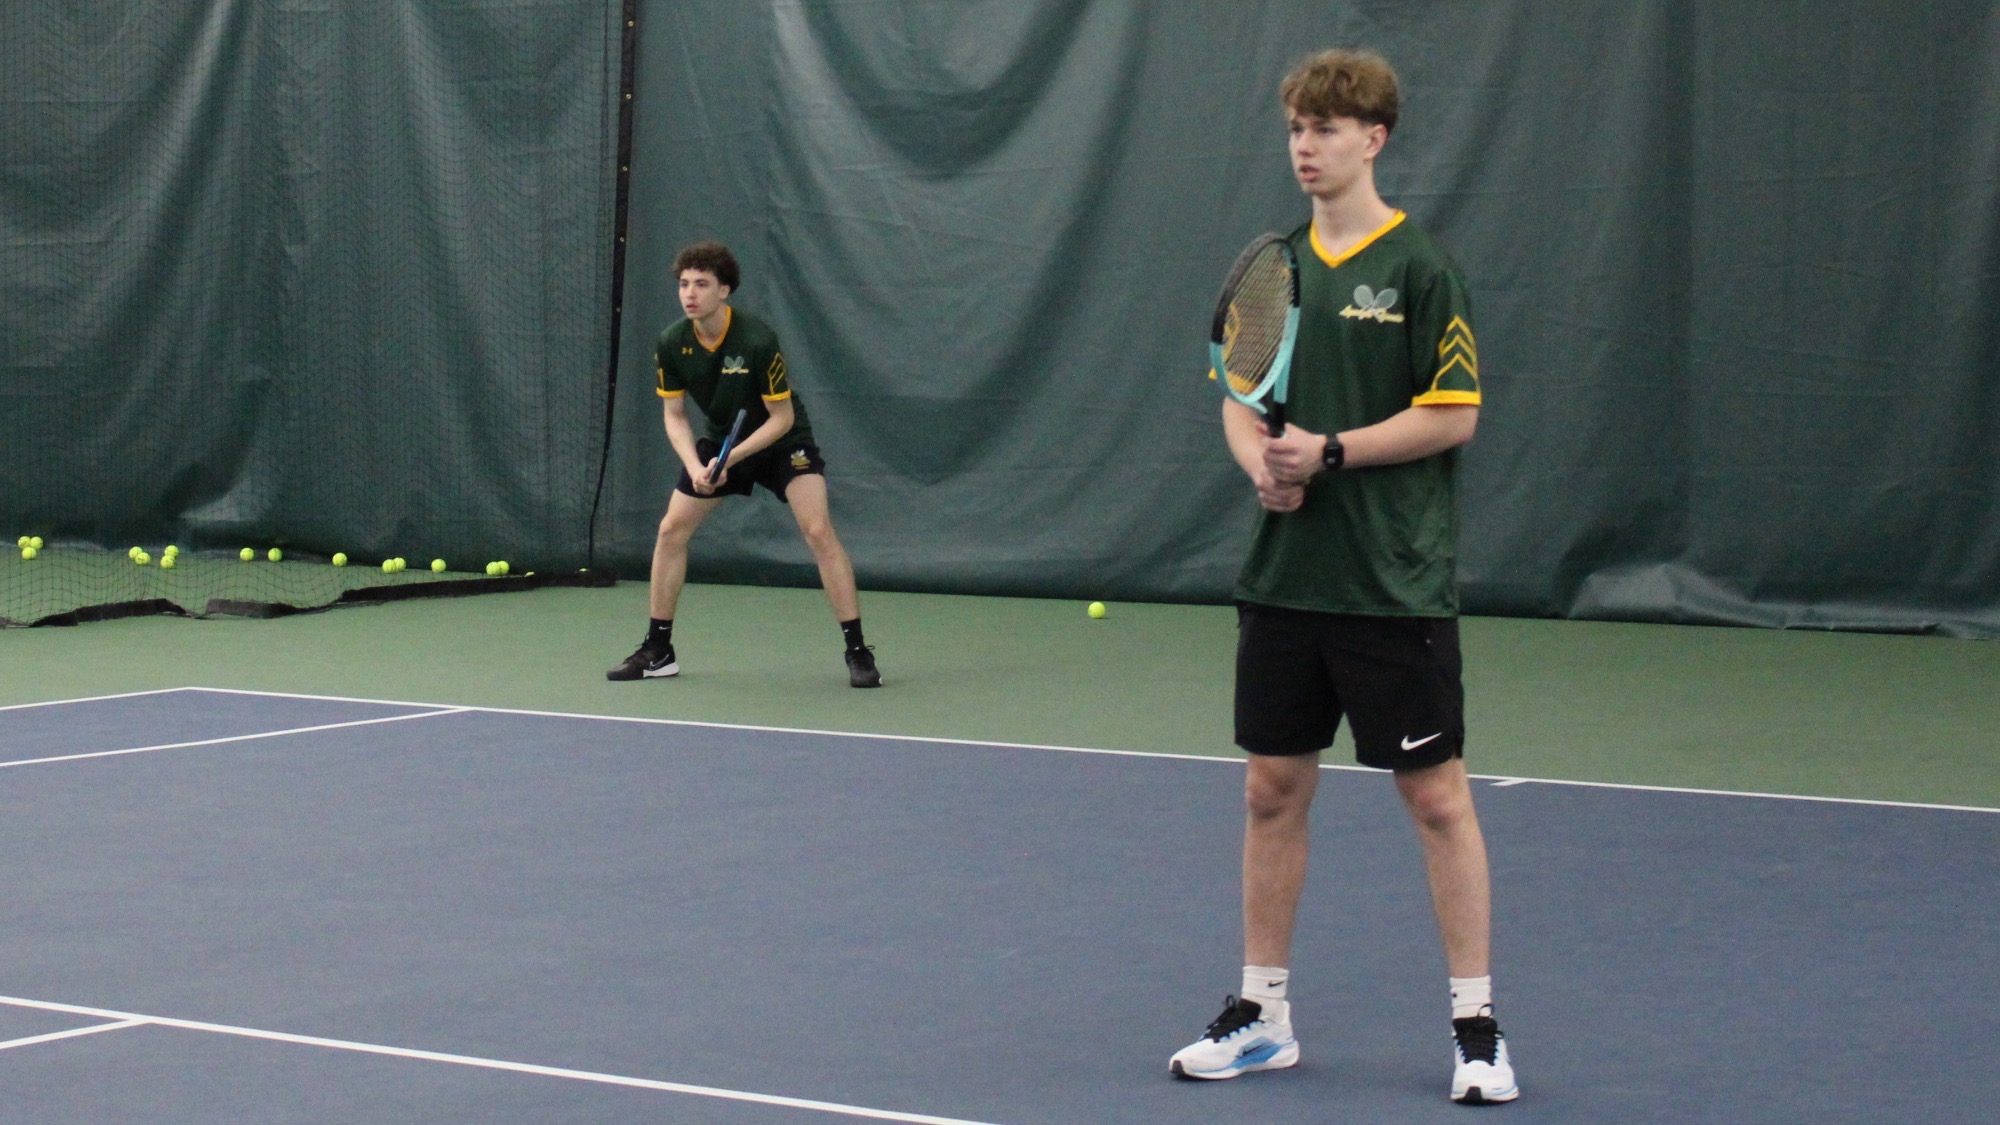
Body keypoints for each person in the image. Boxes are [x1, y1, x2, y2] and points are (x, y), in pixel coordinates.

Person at [1168, 49, 1516, 1105]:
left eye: (1325, 129)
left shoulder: (1420, 268)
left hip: (1391, 584)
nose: (1305, 147)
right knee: (1270, 790)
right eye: (1295, 129)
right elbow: (1238, 394)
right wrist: (1261, 474)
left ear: (1373, 139)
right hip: (1285, 581)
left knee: (1437, 801)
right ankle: (1262, 1014)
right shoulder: (1275, 263)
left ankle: (1476, 1030)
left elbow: (1452, 414)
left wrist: (1327, 453)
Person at [607, 240, 880, 689]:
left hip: (782, 442)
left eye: (701, 284)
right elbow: (674, 416)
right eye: (683, 284)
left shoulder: (756, 340)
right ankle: (658, 650)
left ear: (725, 290)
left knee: (817, 530)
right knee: (671, 530)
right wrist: (697, 465)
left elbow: (783, 417)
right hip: (719, 442)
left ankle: (858, 651)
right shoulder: (672, 342)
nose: (689, 293)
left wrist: (729, 459)